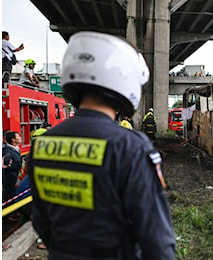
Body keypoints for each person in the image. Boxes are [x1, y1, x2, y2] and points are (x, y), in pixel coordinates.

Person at [27, 31, 175, 259]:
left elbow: (40, 219)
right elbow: (155, 238)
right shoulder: (129, 147)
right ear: (123, 77)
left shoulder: (42, 144)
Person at [2, 131, 22, 202]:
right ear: (13, 140)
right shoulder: (7, 151)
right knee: (10, 195)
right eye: (18, 136)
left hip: (15, 176)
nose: (20, 138)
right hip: (10, 178)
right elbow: (6, 165)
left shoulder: (16, 148)